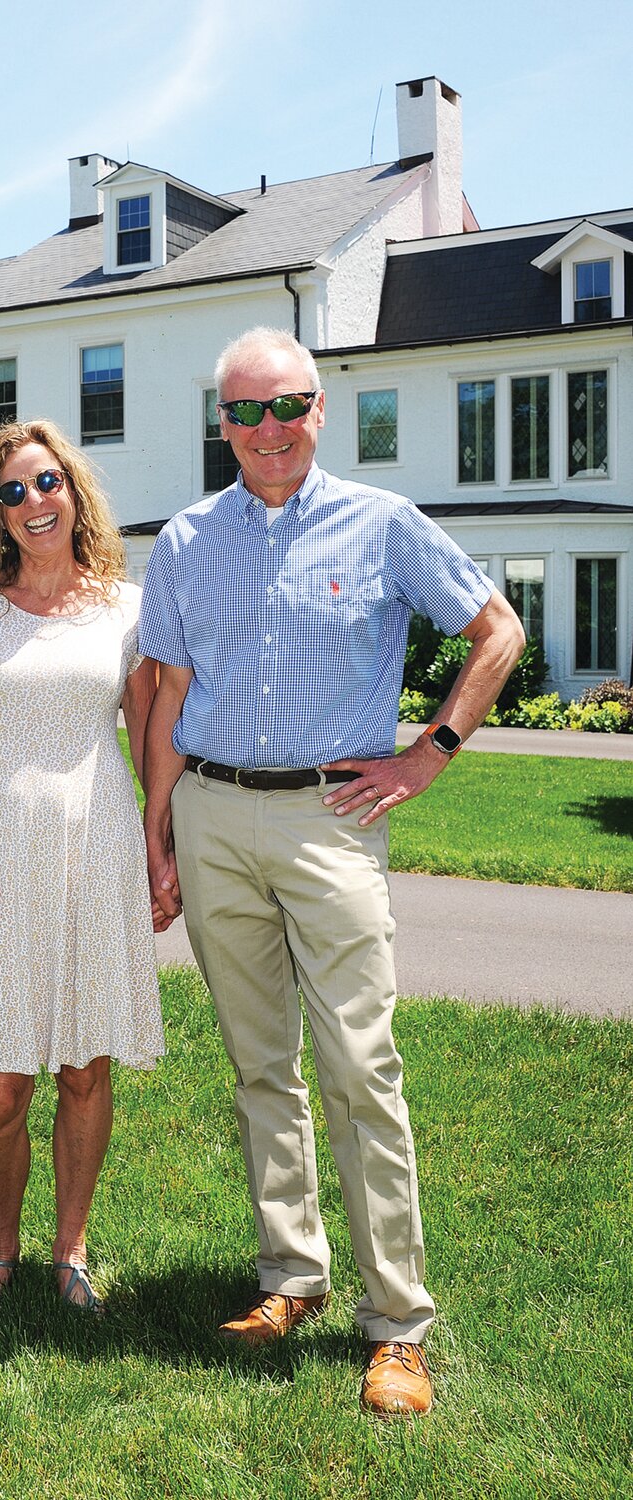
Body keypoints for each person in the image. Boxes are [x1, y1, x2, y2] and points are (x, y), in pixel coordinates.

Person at [139, 327, 524, 1415]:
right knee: (261, 1067)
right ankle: (288, 1277)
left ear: (319, 412)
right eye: (245, 412)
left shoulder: (384, 523)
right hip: (212, 813)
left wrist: (428, 753)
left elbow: (495, 631)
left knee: (360, 1068)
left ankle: (396, 1323)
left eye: (287, 407)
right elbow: (166, 694)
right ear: (222, 424)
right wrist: (157, 834)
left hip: (329, 819)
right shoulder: (184, 538)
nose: (268, 430)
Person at [0, 419, 164, 1308]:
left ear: (74, 489)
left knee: (85, 1068)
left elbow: (146, 737)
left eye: (46, 483)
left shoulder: (125, 610)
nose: (33, 503)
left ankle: (70, 1251)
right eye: (11, 491)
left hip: (97, 850)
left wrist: (159, 845)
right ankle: (0, 1250)